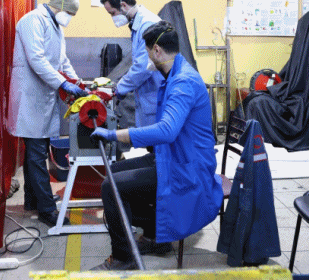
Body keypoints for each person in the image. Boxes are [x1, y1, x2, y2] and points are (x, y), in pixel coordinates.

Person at [88, 21, 224, 270]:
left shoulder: (183, 83)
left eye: (147, 52)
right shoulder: (174, 74)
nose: (147, 58)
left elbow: (166, 130)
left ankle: (123, 258)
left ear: (158, 51)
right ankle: (154, 237)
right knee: (114, 172)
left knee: (111, 187)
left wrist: (114, 135)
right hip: (173, 156)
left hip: (186, 166)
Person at [8, 0, 87, 227]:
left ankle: (32, 200)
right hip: (30, 98)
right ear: (61, 6)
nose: (69, 18)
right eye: (70, 13)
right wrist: (63, 83)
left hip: (42, 97)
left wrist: (77, 82)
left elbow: (62, 61)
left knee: (36, 152)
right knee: (36, 154)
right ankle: (46, 210)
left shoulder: (56, 26)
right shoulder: (32, 20)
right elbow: (37, 59)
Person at [100, 0, 163, 129]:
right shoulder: (138, 24)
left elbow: (143, 67)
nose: (113, 18)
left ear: (123, 5)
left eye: (112, 13)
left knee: (153, 137)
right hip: (148, 95)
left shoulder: (147, 24)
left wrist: (119, 89)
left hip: (155, 95)